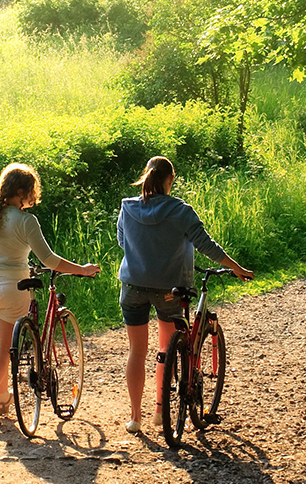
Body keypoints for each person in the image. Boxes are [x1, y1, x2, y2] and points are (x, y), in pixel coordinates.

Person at [116, 156, 253, 434]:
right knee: (165, 351)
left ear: (147, 177)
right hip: (169, 290)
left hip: (132, 287)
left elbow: (123, 242)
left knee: (136, 351)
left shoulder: (127, 208)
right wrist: (236, 267)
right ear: (170, 180)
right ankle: (159, 411)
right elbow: (207, 246)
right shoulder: (180, 210)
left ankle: (134, 418)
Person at [0, 162, 100, 427]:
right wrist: (82, 270)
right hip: (11, 287)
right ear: (22, 191)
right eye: (31, 192)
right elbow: (50, 260)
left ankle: (3, 400)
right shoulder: (27, 221)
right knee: (4, 350)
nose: (32, 197)